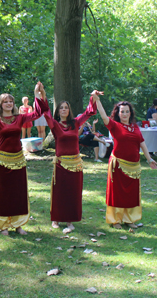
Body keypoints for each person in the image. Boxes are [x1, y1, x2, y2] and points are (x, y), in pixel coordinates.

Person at [0, 82, 48, 236]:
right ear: (0, 104)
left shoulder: (20, 118)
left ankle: (18, 224)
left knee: (18, 192)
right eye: (5, 102)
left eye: (11, 101)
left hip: (18, 159)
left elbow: (39, 112)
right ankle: (3, 225)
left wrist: (37, 94)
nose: (9, 104)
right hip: (2, 160)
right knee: (3, 193)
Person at [92, 92, 157, 229]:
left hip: (134, 167)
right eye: (122, 111)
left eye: (127, 111)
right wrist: (97, 100)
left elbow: (142, 143)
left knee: (131, 194)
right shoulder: (115, 125)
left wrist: (149, 159)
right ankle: (116, 220)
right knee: (117, 194)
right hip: (118, 165)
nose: (125, 114)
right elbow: (103, 116)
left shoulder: (135, 127)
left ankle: (129, 219)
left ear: (130, 113)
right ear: (118, 113)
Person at [43, 94, 97, 231]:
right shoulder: (55, 125)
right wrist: (41, 95)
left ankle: (69, 220)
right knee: (59, 192)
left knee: (73, 193)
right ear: (58, 111)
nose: (64, 110)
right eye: (61, 108)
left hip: (76, 164)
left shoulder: (76, 123)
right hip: (61, 164)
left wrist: (93, 98)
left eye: (66, 108)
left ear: (69, 110)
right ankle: (56, 218)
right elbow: (46, 114)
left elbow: (88, 112)